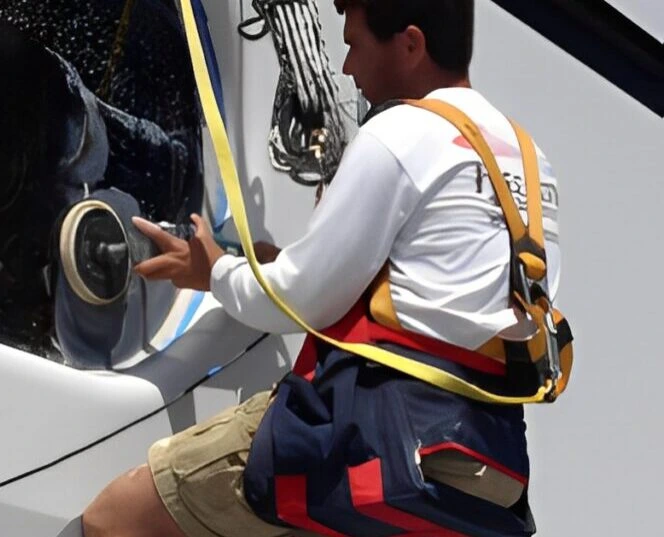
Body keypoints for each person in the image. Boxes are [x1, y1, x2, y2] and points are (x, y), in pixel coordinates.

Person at [79, 0, 560, 536]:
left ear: (411, 45)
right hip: (482, 472)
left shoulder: (403, 132)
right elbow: (444, 298)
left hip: (371, 437)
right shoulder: (530, 163)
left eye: (355, 45)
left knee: (115, 520)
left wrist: (214, 271)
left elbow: (296, 299)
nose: (348, 68)